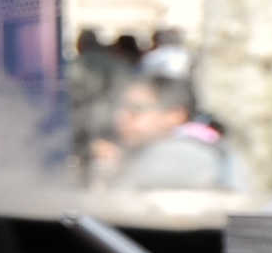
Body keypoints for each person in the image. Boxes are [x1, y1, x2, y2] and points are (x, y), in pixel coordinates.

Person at [96, 72, 240, 192]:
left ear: (174, 115)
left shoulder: (181, 152)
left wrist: (111, 167)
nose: (121, 118)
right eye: (120, 108)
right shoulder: (195, 146)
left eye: (136, 110)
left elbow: (118, 198)